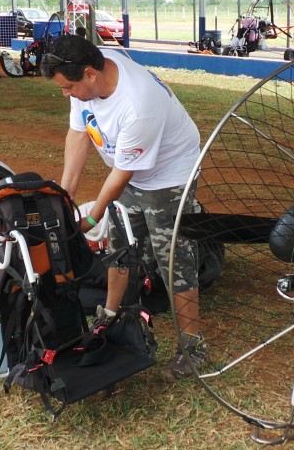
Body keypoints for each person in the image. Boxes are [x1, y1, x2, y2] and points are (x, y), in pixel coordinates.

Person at [41, 34, 206, 383]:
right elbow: (79, 133)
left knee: (173, 260)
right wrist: (64, 195)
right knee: (119, 249)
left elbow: (121, 174)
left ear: (90, 73)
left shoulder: (137, 105)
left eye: (69, 87)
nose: (65, 94)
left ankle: (193, 347)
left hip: (169, 177)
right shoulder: (87, 76)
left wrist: (89, 217)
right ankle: (110, 316)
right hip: (131, 171)